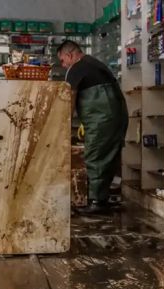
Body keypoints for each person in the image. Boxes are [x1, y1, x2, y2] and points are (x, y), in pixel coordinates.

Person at [58, 40, 128, 214]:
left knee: (95, 156)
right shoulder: (95, 63)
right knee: (109, 156)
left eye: (62, 60)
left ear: (70, 55)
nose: (63, 65)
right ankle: (102, 199)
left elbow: (70, 99)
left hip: (101, 119)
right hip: (117, 116)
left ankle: (96, 202)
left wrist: (62, 125)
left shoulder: (76, 68)